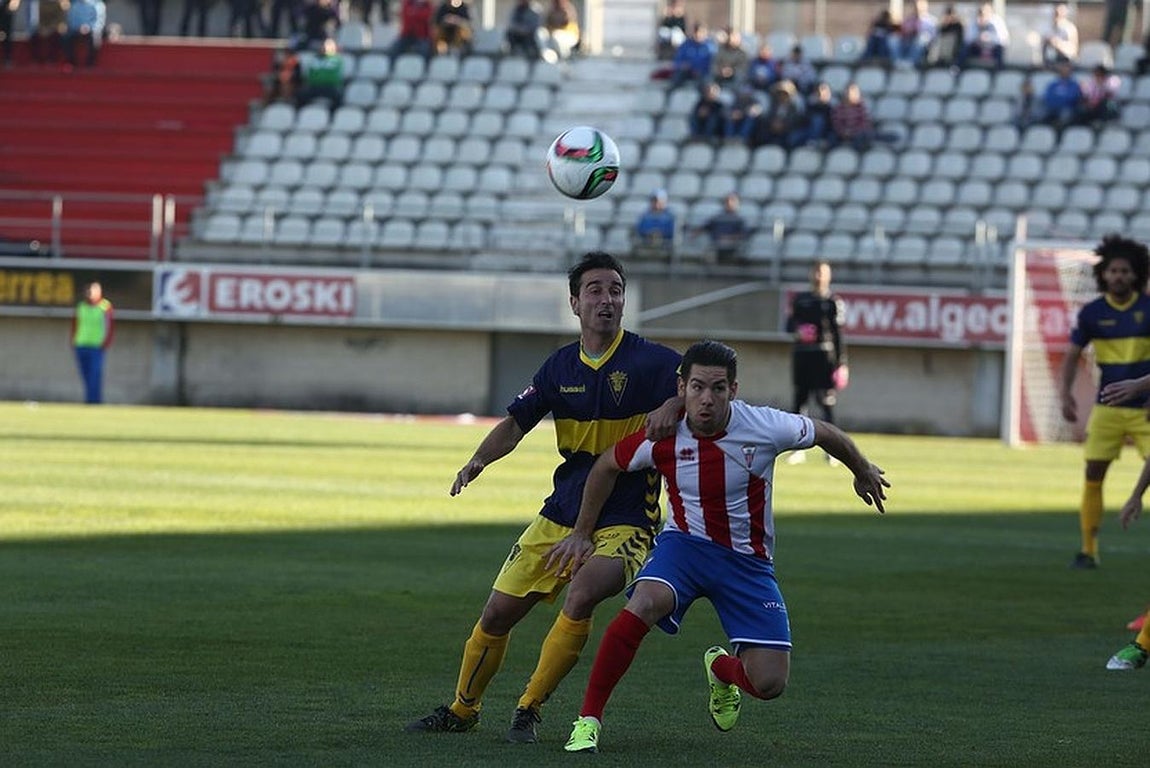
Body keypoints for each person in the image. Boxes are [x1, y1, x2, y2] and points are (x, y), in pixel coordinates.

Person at [552, 339, 889, 753]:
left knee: (769, 683)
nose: (706, 399)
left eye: (717, 388)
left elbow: (824, 432)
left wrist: (861, 469)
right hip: (684, 548)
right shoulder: (661, 435)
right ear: (681, 389)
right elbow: (606, 465)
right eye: (697, 388)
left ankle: (721, 668)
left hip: (747, 563)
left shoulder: (764, 426)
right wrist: (583, 531)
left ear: (734, 389)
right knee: (643, 602)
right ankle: (588, 721)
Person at [405, 252, 683, 743]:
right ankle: (463, 710)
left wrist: (674, 403)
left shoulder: (652, 362)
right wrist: (478, 461)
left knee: (582, 594)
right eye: (594, 290)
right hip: (561, 511)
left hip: (626, 518)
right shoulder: (558, 367)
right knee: (496, 614)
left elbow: (699, 387)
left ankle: (528, 709)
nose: (607, 299)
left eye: (615, 289)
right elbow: (516, 423)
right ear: (575, 303)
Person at [1059, 236, 1150, 570]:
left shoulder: (1148, 308)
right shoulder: (1093, 313)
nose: (1119, 276)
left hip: (1146, 408)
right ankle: (1088, 549)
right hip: (1108, 407)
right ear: (1104, 275)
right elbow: (1072, 356)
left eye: (1125, 271)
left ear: (1136, 274)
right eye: (1113, 271)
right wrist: (1064, 393)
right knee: (1093, 472)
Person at [786, 261, 847, 465]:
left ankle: (833, 450)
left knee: (826, 403)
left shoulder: (833, 302)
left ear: (829, 276)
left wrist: (841, 364)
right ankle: (797, 448)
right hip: (803, 355)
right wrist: (797, 331)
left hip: (824, 355)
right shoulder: (800, 300)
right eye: (816, 272)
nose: (819, 276)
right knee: (800, 401)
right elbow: (788, 324)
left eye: (823, 273)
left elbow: (839, 335)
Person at [72, 281, 114, 404]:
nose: (90, 294)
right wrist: (74, 341)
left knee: (94, 376)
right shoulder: (81, 306)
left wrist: (105, 343)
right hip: (81, 345)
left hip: (96, 347)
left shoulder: (105, 307)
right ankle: (89, 400)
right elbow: (75, 325)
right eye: (88, 291)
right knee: (85, 376)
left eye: (93, 291)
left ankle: (94, 402)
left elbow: (110, 327)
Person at [696, 192, 749, 264]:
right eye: (727, 201)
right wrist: (695, 232)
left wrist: (728, 238)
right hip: (716, 246)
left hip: (732, 247)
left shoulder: (739, 219)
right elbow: (706, 227)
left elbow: (743, 234)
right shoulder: (718, 217)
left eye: (732, 201)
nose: (729, 203)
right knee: (708, 255)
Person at [294, 36, 346, 110]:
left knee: (338, 96)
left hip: (330, 87)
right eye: (323, 45)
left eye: (328, 45)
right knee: (301, 95)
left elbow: (335, 75)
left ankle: (332, 116)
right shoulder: (314, 59)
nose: (325, 47)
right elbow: (310, 74)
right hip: (314, 86)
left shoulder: (337, 59)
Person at [960, 2, 1008, 69]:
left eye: (986, 12)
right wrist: (977, 36)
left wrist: (989, 37)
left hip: (992, 49)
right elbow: (967, 39)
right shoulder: (975, 21)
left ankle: (999, 71)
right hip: (978, 49)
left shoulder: (997, 21)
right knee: (965, 48)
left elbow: (1003, 39)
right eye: (982, 13)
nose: (984, 15)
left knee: (999, 49)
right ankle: (958, 68)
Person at [667, 23, 714, 91]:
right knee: (676, 78)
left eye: (701, 32)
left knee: (705, 83)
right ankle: (669, 95)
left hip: (703, 73)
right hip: (687, 72)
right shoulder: (686, 45)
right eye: (696, 32)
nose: (698, 35)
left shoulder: (710, 46)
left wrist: (700, 69)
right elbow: (677, 61)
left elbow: (713, 63)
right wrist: (682, 65)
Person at [1040, 59, 1083, 131]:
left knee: (1065, 114)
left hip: (1067, 109)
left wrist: (1058, 99)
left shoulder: (1074, 85)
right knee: (1042, 112)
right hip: (1051, 108)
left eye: (1067, 67)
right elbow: (1048, 97)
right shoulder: (1053, 84)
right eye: (1063, 67)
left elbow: (1072, 98)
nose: (1064, 70)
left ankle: (1059, 132)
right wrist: (1060, 99)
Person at [633, 189, 676, 258]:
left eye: (658, 200)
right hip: (646, 241)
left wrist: (658, 234)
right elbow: (640, 229)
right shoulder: (645, 215)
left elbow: (672, 231)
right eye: (654, 200)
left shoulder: (670, 216)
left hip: (664, 243)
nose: (656, 203)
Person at [894, 0, 936, 67]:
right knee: (893, 40)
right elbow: (902, 31)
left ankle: (910, 62)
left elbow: (933, 37)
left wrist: (919, 33)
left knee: (921, 39)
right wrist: (909, 32)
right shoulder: (909, 19)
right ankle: (898, 62)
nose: (918, 8)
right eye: (916, 6)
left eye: (920, 6)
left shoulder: (931, 21)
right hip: (907, 41)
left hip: (922, 44)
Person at [64, 0, 105, 67]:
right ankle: (71, 62)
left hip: (91, 30)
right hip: (76, 30)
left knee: (95, 38)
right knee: (66, 37)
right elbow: (71, 20)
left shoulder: (98, 4)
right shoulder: (74, 4)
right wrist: (78, 28)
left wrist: (89, 27)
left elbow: (100, 21)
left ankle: (89, 64)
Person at [1, 0, 20, 66]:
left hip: (6, 13)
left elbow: (14, 3)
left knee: (7, 36)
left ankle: (7, 59)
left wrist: (12, 6)